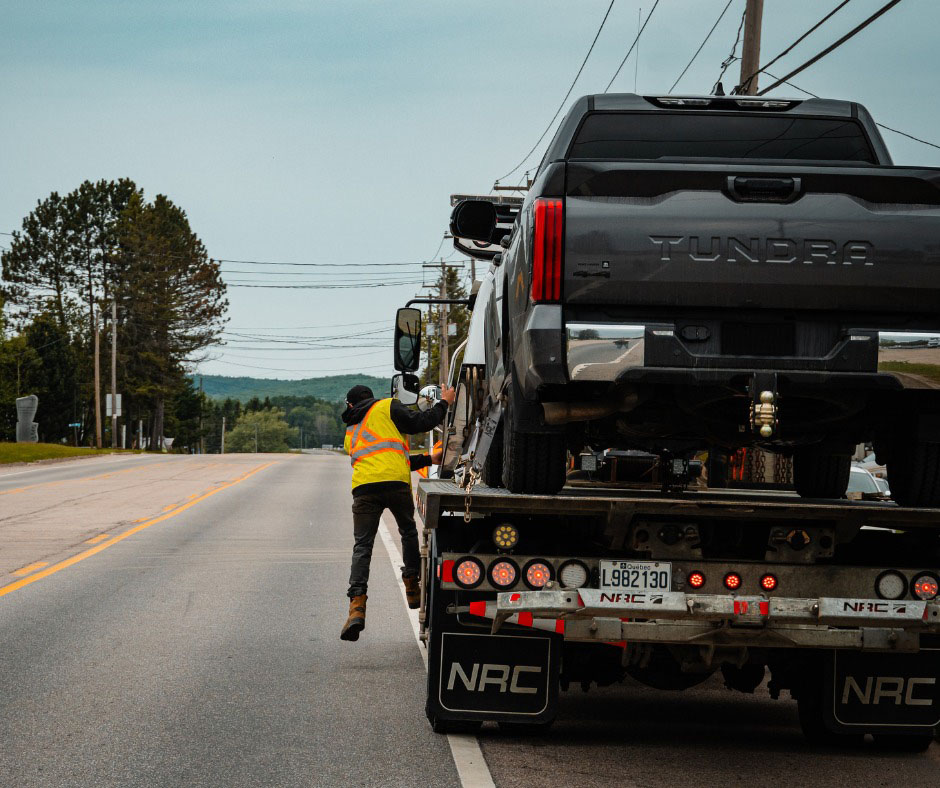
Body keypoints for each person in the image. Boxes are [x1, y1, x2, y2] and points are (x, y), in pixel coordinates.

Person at [340, 383, 455, 641]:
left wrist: (427, 459)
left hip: (364, 488)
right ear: (370, 397)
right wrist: (444, 402)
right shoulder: (386, 407)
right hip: (395, 484)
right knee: (407, 531)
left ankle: (356, 606)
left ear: (351, 405)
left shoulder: (351, 430)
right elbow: (423, 422)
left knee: (362, 546)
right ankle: (411, 583)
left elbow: (388, 455)